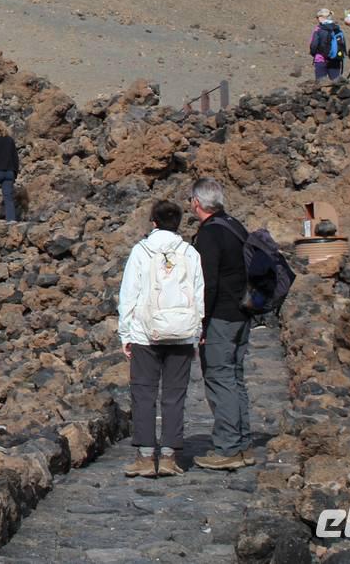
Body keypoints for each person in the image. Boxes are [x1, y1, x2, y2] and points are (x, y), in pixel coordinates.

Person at [119, 200, 204, 478]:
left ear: (153, 222)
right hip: (180, 334)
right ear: (178, 222)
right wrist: (195, 334)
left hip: (145, 334)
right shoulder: (190, 253)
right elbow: (199, 296)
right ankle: (169, 456)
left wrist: (126, 334)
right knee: (174, 395)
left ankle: (145, 457)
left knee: (143, 393)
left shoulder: (140, 251)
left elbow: (128, 295)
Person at [190, 177, 255, 471]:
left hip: (221, 316)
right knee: (235, 377)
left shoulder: (209, 235)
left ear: (196, 203)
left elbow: (208, 283)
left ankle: (227, 447)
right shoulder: (235, 226)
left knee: (219, 378)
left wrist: (201, 322)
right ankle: (242, 444)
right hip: (243, 312)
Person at [309, 9, 346, 82]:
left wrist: (314, 54)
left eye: (317, 17)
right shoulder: (337, 29)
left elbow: (313, 45)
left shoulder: (318, 29)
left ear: (321, 17)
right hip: (335, 60)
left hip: (321, 59)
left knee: (320, 83)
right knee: (336, 83)